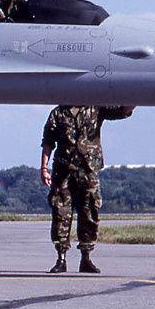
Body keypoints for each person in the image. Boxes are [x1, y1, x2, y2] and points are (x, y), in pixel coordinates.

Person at [40, 105, 134, 274]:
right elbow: (48, 141)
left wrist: (137, 95)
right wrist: (43, 168)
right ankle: (61, 258)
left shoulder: (96, 108)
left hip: (88, 170)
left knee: (89, 213)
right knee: (61, 214)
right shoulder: (58, 112)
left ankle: (86, 258)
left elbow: (123, 111)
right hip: (63, 171)